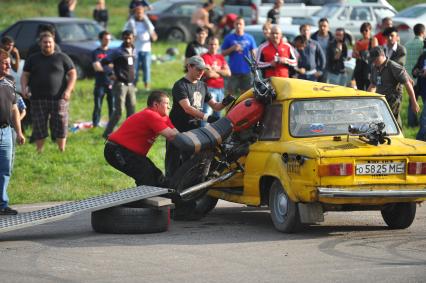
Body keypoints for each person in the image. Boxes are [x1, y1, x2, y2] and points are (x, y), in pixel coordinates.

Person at [165, 55, 233, 178]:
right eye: (198, 69)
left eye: (203, 70)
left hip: (194, 129)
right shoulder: (180, 85)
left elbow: (216, 107)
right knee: (173, 159)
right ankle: (169, 185)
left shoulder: (203, 85)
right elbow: (187, 108)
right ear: (189, 67)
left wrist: (225, 102)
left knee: (190, 160)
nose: (201, 72)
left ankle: (185, 186)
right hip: (177, 128)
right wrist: (207, 118)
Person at [104, 90, 177, 187]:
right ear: (156, 104)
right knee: (146, 177)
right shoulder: (151, 115)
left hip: (131, 153)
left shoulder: (164, 118)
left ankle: (169, 199)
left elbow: (177, 134)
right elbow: (171, 136)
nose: (169, 106)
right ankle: (143, 201)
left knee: (157, 177)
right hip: (117, 150)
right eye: (166, 103)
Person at [21, 33, 76, 152]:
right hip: (37, 98)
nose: (47, 44)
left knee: (61, 124)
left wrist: (68, 90)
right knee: (39, 124)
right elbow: (25, 74)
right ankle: (39, 150)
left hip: (59, 97)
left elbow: (72, 73)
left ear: (54, 43)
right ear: (40, 43)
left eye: (50, 42)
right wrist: (24, 87)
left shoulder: (62, 57)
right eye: (45, 42)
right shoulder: (33, 58)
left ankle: (61, 149)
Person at [368, 46, 419, 128]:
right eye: (373, 60)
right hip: (381, 100)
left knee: (392, 122)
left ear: (382, 55)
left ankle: (398, 138)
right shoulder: (375, 68)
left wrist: (414, 102)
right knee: (382, 123)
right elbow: (372, 85)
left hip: (393, 99)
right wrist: (367, 98)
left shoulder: (393, 66)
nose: (374, 62)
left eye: (376, 59)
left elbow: (408, 83)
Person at [0, 50, 25, 215]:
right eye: (5, 63)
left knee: (5, 170)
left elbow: (15, 109)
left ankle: (2, 205)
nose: (9, 65)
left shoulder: (10, 81)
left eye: (9, 62)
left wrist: (19, 131)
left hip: (6, 132)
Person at [101, 30, 137, 138]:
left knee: (132, 110)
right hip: (120, 84)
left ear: (133, 38)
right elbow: (104, 62)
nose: (127, 40)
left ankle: (128, 133)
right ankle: (107, 133)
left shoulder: (134, 50)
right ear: (122, 38)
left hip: (131, 84)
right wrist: (110, 73)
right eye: (125, 38)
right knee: (119, 111)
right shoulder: (118, 51)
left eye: (129, 38)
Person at [124, 5, 157, 90]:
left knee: (146, 68)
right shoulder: (131, 22)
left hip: (146, 49)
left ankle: (146, 87)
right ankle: (134, 86)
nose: (139, 14)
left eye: (141, 13)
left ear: (143, 13)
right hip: (135, 50)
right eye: (138, 13)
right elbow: (125, 33)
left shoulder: (147, 22)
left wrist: (154, 37)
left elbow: (154, 35)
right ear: (135, 13)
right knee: (134, 69)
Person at [221, 17, 257, 96]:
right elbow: (222, 53)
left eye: (240, 24)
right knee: (230, 94)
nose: (239, 26)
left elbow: (254, 53)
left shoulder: (249, 38)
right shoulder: (229, 38)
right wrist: (232, 48)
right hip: (233, 71)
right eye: (237, 24)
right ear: (234, 25)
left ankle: (244, 108)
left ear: (244, 25)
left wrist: (254, 65)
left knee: (246, 94)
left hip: (247, 71)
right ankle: (230, 108)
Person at [201, 37, 231, 119]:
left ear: (218, 46)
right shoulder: (204, 57)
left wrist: (216, 70)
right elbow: (209, 74)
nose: (213, 46)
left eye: (215, 44)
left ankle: (215, 131)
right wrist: (221, 73)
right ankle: (204, 130)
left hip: (220, 89)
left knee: (218, 114)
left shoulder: (220, 57)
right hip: (209, 88)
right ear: (207, 45)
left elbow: (228, 73)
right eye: (211, 44)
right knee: (207, 113)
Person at [91, 31, 114, 128]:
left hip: (112, 83)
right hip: (100, 83)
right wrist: (108, 66)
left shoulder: (113, 52)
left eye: (109, 39)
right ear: (101, 39)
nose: (108, 41)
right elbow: (96, 67)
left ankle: (112, 125)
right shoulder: (96, 52)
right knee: (98, 106)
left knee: (112, 106)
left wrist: (102, 65)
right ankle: (95, 125)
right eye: (105, 39)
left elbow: (115, 66)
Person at [406, 23, 426, 127]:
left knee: (412, 101)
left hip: (408, 77)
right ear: (423, 32)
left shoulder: (407, 44)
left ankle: (412, 123)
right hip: (420, 77)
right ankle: (422, 122)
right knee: (424, 101)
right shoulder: (422, 44)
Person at [352, 22, 378, 90]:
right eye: (362, 30)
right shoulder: (358, 42)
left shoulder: (373, 40)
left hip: (369, 67)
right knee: (359, 87)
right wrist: (356, 54)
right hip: (359, 67)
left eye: (366, 30)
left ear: (370, 30)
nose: (364, 32)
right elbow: (353, 54)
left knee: (369, 86)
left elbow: (375, 52)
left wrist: (364, 52)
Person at [311, 18, 334, 83]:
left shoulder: (332, 39)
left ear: (328, 27)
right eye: (321, 26)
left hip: (327, 66)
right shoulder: (313, 38)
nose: (322, 28)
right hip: (315, 66)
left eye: (324, 26)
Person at [412, 49, 426, 140]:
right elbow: (414, 70)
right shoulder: (423, 56)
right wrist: (416, 71)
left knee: (424, 118)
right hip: (423, 90)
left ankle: (419, 140)